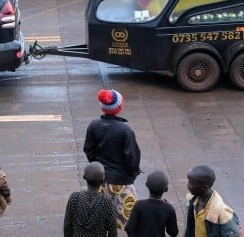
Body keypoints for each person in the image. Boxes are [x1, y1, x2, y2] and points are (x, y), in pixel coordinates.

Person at [84, 89, 141, 229]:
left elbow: (89, 150)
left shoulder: (93, 125)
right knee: (126, 214)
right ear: (119, 107)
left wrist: (97, 166)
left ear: (102, 107)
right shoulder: (125, 130)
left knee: (100, 214)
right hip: (121, 181)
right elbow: (132, 157)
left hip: (100, 180)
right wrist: (133, 172)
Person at [63, 162, 116, 237]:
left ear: (84, 177)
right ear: (103, 180)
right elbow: (112, 232)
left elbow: (67, 227)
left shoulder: (75, 197)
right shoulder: (107, 202)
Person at [185, 166, 241, 237]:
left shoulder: (222, 213)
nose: (187, 185)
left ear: (204, 188)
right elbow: (190, 226)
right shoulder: (193, 200)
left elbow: (233, 234)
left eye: (191, 183)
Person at [124, 171, 178, 237]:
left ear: (146, 185)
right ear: (166, 189)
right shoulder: (169, 208)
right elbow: (173, 232)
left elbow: (129, 228)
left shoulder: (139, 205)